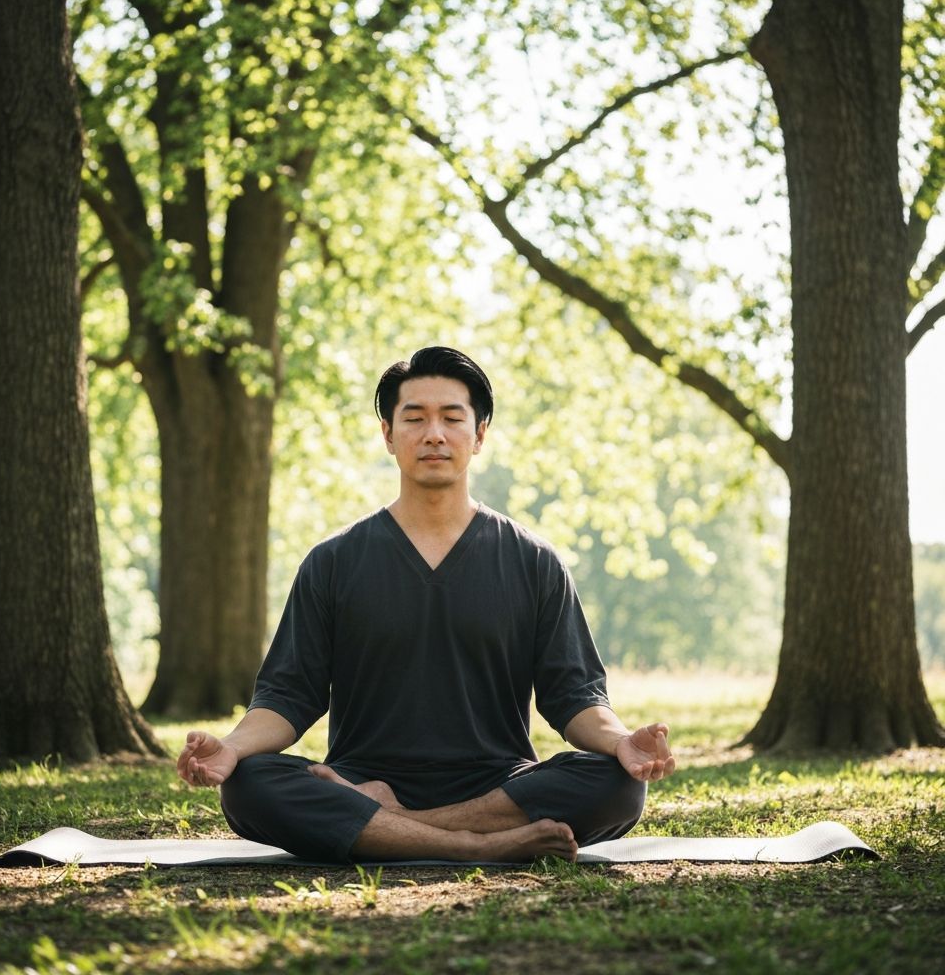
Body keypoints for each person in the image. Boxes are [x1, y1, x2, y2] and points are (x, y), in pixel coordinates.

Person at [178, 346, 675, 863]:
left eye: (451, 418)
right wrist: (232, 750)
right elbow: (287, 697)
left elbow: (574, 697)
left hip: (495, 786)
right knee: (250, 783)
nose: (433, 434)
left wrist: (620, 741)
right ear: (389, 436)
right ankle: (481, 846)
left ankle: (398, 831)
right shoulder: (333, 561)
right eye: (414, 418)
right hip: (357, 779)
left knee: (616, 783)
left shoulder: (534, 562)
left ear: (479, 435)